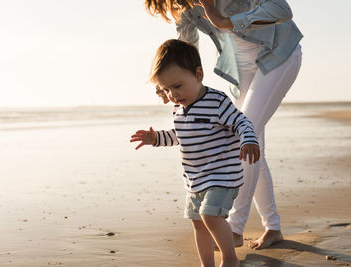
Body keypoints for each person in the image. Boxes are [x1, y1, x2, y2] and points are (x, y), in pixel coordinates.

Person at [144, 0, 303, 249]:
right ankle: (273, 228)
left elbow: (282, 10)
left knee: (242, 136)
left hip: (278, 55)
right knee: (252, 144)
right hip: (241, 71)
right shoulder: (184, 6)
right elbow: (185, 50)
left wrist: (224, 21)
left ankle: (235, 228)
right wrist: (167, 84)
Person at [130, 39, 260, 267]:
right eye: (167, 89)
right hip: (195, 180)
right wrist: (156, 138)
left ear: (198, 75)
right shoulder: (179, 109)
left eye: (177, 86)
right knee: (198, 222)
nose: (173, 94)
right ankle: (206, 264)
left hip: (222, 176)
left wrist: (248, 140)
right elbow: (179, 135)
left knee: (210, 216)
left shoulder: (217, 101)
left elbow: (242, 122)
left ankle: (231, 260)